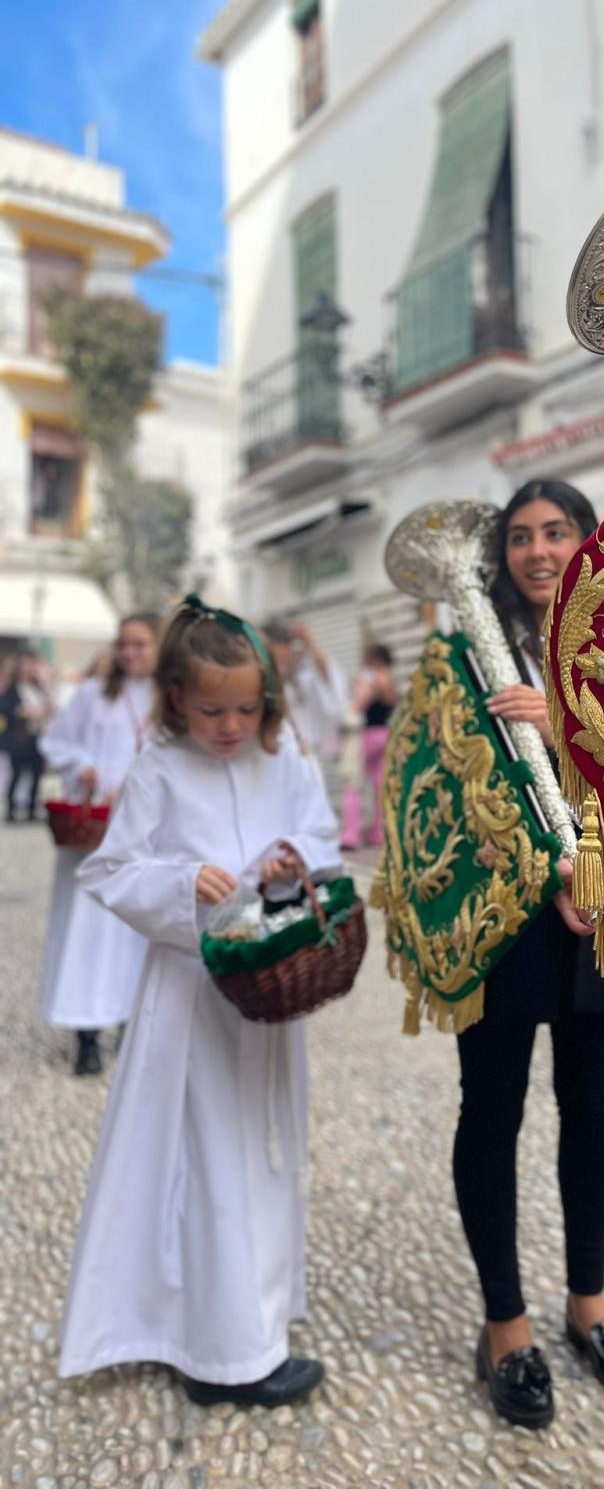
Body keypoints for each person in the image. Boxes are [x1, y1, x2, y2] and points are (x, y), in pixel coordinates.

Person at [59, 596, 340, 1408]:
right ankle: (227, 1355)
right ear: (177, 696)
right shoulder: (157, 766)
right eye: (212, 708)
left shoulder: (286, 762)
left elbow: (320, 843)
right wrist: (184, 886)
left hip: (266, 991)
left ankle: (245, 1322)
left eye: (248, 708)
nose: (229, 725)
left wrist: (294, 863)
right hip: (189, 1001)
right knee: (208, 1160)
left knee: (260, 1150)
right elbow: (111, 871)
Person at [454, 480, 604, 1429]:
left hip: (598, 910)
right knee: (491, 1112)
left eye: (555, 532)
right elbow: (442, 781)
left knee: (593, 1110)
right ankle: (504, 1320)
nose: (537, 551)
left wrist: (562, 725)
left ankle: (588, 1299)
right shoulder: (464, 652)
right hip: (503, 917)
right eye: (521, 537)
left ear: (586, 539)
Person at [39, 614, 159, 1075]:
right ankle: (85, 1034)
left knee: (134, 931)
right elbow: (57, 742)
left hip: (143, 832)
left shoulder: (170, 699)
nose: (131, 653)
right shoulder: (93, 694)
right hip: (93, 832)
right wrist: (85, 766)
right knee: (86, 932)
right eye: (124, 644)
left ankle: (130, 1021)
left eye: (141, 644)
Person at [263, 616, 348, 767]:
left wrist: (309, 642)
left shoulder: (299, 685)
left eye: (285, 662)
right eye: (276, 662)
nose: (281, 670)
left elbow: (329, 682)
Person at [340, 642, 398, 851]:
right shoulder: (391, 681)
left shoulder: (371, 679)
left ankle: (350, 835)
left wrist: (351, 706)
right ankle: (378, 834)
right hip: (385, 734)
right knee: (380, 786)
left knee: (352, 785)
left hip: (366, 736)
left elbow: (358, 705)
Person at [1, 649, 53, 821]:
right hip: (19, 739)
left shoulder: (37, 689)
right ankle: (12, 809)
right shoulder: (12, 689)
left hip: (36, 738)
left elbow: (48, 708)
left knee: (36, 774)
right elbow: (8, 709)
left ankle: (31, 808)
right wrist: (25, 712)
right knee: (16, 774)